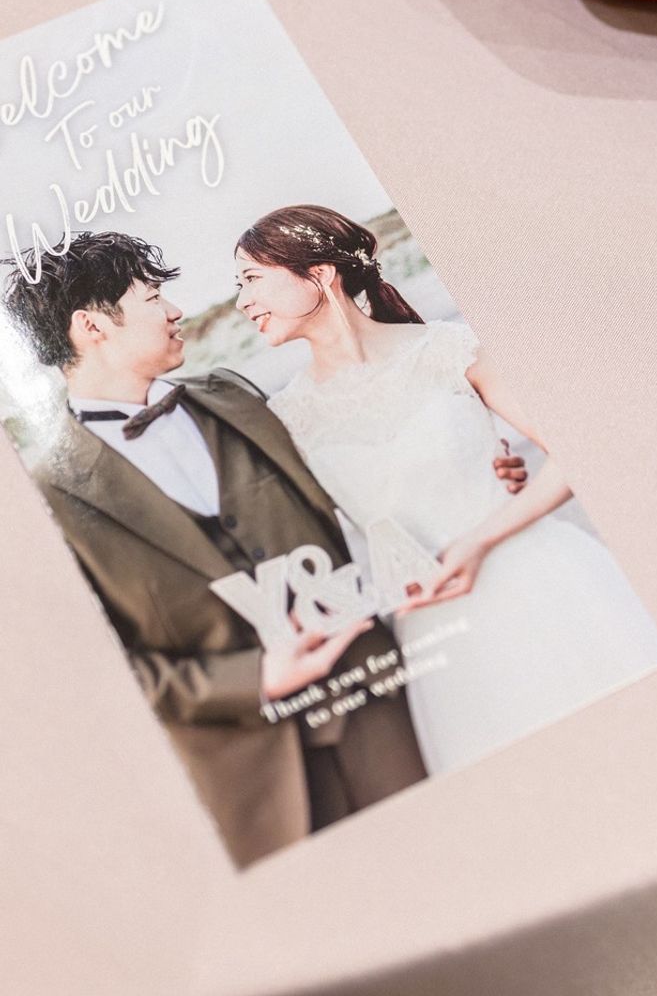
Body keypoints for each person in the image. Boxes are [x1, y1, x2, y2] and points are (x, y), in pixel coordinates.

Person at [1, 231, 503, 865]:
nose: (176, 311)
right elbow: (95, 675)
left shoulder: (233, 396)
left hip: (382, 706)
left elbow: (359, 469)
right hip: (250, 778)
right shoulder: (45, 499)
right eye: (153, 298)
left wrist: (479, 461)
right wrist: (254, 679)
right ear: (92, 326)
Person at [235, 205, 657, 774]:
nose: (243, 302)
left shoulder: (446, 349)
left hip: (544, 583)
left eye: (251, 279)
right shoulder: (287, 418)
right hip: (439, 632)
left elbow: (575, 451)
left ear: (319, 274)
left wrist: (479, 539)